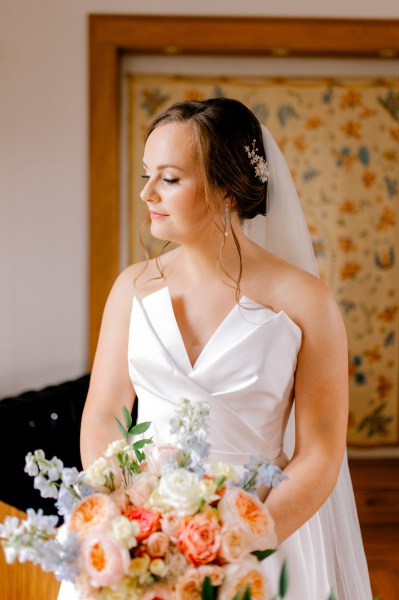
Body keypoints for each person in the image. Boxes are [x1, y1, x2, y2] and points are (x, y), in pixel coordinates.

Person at [59, 98, 372, 599]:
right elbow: (102, 416)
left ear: (226, 188)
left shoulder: (306, 302)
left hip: (258, 540)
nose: (146, 193)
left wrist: (239, 541)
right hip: (139, 539)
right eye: (147, 175)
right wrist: (129, 522)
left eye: (169, 178)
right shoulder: (132, 288)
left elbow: (319, 452)